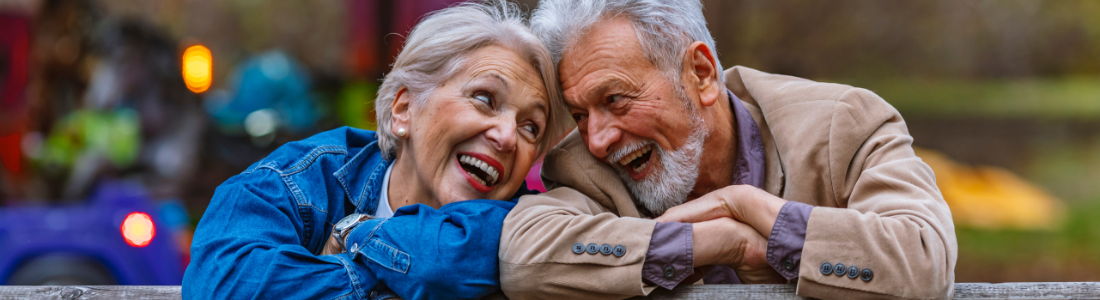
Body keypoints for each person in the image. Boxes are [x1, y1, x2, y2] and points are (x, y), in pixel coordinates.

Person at [498, 0, 957, 299]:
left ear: (700, 73)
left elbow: (923, 257)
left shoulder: (843, 123)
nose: (597, 138)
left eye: (614, 99)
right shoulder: (581, 164)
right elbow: (523, 259)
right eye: (580, 114)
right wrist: (726, 244)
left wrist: (748, 208)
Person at [182, 1, 570, 299]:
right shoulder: (304, 179)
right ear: (404, 109)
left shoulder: (529, 222)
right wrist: (386, 270)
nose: (507, 136)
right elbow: (222, 281)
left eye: (530, 127)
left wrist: (354, 238)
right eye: (485, 98)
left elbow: (435, 265)